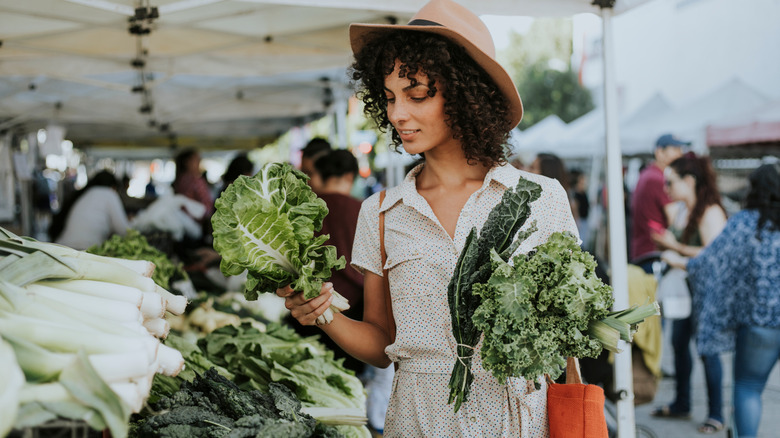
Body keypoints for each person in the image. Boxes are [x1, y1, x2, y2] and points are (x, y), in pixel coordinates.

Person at [277, 0, 578, 435]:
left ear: (466, 93)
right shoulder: (381, 212)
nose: (398, 114)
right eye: (390, 98)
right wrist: (323, 314)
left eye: (417, 94)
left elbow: (569, 333)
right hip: (418, 421)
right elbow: (382, 343)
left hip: (516, 422)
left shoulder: (540, 199)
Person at [664, 163, 780, 438]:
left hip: (758, 323)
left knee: (748, 387)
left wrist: (678, 261)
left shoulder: (744, 223)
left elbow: (710, 260)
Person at [649, 153, 728, 434]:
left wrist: (677, 251)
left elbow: (715, 255)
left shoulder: (711, 212)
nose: (666, 188)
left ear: (689, 180)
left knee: (707, 350)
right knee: (679, 343)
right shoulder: (684, 209)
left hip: (707, 291)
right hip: (685, 289)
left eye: (670, 182)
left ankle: (716, 414)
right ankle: (682, 403)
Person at [286, 149, 366, 374]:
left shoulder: (303, 211)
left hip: (306, 307)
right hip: (353, 313)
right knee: (347, 379)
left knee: (309, 375)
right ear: (350, 176)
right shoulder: (362, 210)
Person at [629, 133, 687, 273]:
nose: (680, 154)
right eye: (675, 149)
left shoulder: (648, 174)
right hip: (654, 256)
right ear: (660, 152)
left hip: (644, 253)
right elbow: (676, 220)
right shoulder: (658, 179)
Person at [49, 170, 129, 250]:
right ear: (113, 186)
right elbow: (124, 230)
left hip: (62, 247)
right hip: (82, 249)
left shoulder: (87, 193)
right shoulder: (109, 194)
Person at [173, 148, 214, 238]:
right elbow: (207, 207)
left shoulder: (180, 180)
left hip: (186, 227)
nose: (199, 163)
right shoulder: (195, 181)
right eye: (197, 160)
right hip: (197, 228)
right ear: (187, 162)